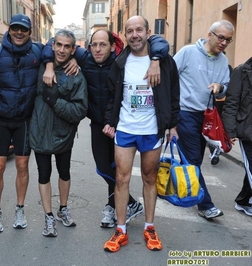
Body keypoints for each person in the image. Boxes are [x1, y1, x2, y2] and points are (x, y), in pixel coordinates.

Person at [43, 29, 169, 228]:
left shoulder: (120, 62)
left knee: (118, 169)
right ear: (89, 47)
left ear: (112, 47)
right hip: (98, 124)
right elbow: (53, 42)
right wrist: (53, 64)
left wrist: (155, 59)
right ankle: (131, 203)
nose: (98, 49)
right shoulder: (84, 59)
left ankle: (112, 208)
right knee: (103, 168)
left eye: (103, 45)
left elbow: (158, 41)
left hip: (120, 124)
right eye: (94, 45)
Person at [0, 14, 77, 232]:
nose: (19, 33)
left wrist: (73, 60)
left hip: (25, 121)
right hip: (0, 120)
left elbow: (60, 49)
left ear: (29, 32)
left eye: (24, 30)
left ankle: (20, 209)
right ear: (9, 30)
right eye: (15, 28)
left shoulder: (38, 51)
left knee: (21, 166)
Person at [102, 16, 179, 252]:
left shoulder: (164, 62)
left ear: (147, 32)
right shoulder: (120, 62)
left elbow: (174, 92)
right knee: (122, 179)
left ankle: (149, 226)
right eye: (129, 31)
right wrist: (109, 121)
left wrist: (172, 124)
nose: (134, 35)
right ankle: (121, 229)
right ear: (125, 35)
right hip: (126, 128)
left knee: (149, 178)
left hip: (151, 129)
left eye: (138, 30)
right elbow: (112, 95)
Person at [29, 29, 88, 237]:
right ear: (53, 45)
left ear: (73, 49)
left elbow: (80, 110)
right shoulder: (39, 66)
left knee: (64, 172)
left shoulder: (76, 74)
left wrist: (55, 102)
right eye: (58, 45)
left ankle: (63, 209)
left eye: (67, 46)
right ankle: (48, 216)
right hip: (40, 131)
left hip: (64, 133)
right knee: (43, 174)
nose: (62, 50)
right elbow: (31, 45)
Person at [173, 20, 234, 219]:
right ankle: (205, 205)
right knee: (192, 159)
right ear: (210, 34)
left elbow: (225, 86)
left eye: (228, 40)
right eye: (221, 37)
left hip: (207, 116)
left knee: (194, 159)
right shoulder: (188, 52)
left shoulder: (223, 61)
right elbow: (170, 76)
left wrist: (219, 87)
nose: (224, 43)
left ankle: (183, 188)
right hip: (185, 113)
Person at [222, 57, 252, 217]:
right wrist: (230, 131)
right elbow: (231, 102)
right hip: (247, 130)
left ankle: (243, 200)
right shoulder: (242, 71)